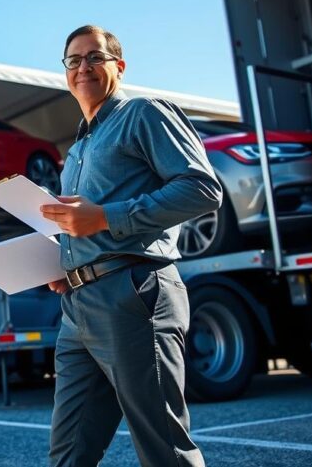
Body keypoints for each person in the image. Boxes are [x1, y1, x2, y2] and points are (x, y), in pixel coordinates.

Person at [39, 25, 220, 466]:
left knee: (164, 449)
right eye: (74, 60)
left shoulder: (143, 113)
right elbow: (81, 225)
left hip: (134, 294)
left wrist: (104, 217)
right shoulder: (78, 146)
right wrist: (68, 264)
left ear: (118, 66)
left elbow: (202, 189)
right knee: (67, 454)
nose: (83, 67)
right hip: (78, 306)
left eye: (94, 57)